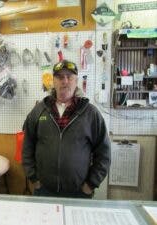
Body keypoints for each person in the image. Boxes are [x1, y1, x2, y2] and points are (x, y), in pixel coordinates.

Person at [22, 59, 111, 198]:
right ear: (53, 81)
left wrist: (90, 185)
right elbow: (27, 146)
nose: (65, 81)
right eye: (60, 77)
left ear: (76, 81)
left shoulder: (91, 113)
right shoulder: (39, 111)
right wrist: (34, 179)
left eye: (69, 77)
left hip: (79, 192)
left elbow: (104, 154)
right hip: (44, 190)